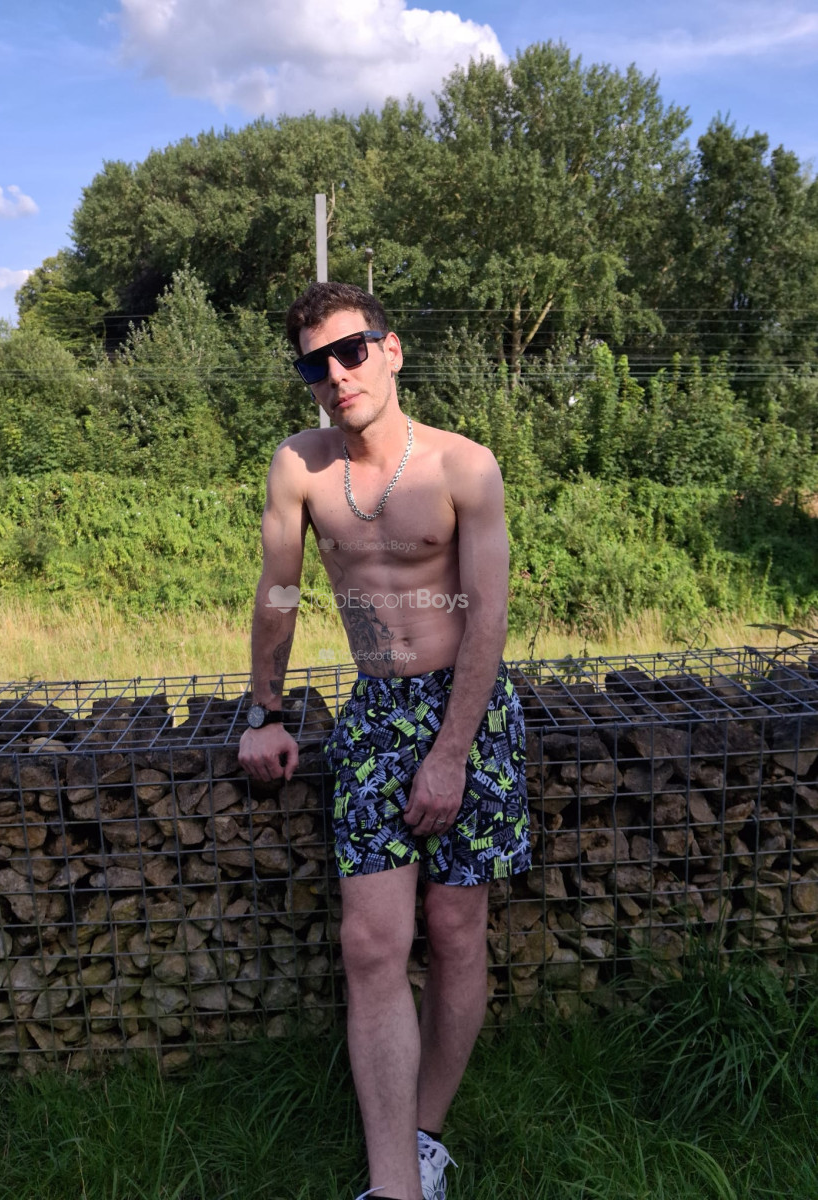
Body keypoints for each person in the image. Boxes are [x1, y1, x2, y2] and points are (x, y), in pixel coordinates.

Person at [238, 282, 530, 1200]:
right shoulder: (300, 466)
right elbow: (280, 592)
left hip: (467, 710)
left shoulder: (463, 465)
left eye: (351, 350)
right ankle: (394, 1184)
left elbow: (488, 618)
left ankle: (425, 1136)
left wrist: (450, 753)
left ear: (391, 349)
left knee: (455, 928)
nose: (336, 374)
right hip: (374, 711)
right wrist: (265, 710)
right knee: (371, 943)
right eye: (315, 364)